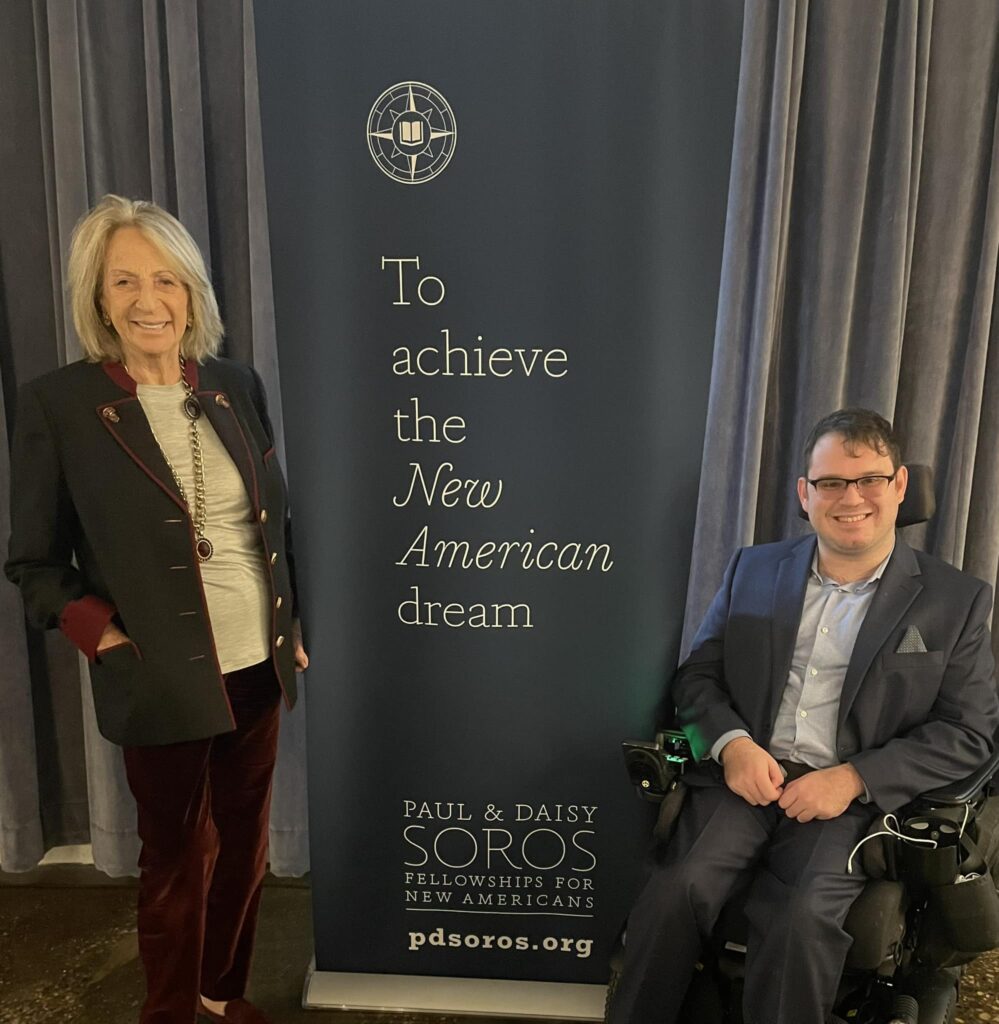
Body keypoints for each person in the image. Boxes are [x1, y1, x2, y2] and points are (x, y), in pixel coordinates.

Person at [5, 195, 308, 1024]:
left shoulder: (233, 385)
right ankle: (171, 1010)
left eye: (166, 280)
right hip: (156, 671)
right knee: (177, 855)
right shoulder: (58, 407)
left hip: (256, 657)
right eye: (125, 281)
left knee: (244, 846)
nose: (149, 300)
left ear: (192, 293)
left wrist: (294, 625)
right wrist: (100, 636)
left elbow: (275, 520)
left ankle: (221, 993)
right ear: (99, 299)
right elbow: (31, 562)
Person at [607, 408, 999, 1024]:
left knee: (799, 917)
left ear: (899, 487)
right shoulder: (753, 570)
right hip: (745, 781)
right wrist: (732, 746)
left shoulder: (956, 601)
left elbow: (969, 733)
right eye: (832, 483)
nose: (852, 499)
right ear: (804, 493)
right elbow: (697, 678)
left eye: (869, 479)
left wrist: (853, 779)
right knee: (675, 891)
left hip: (849, 801)